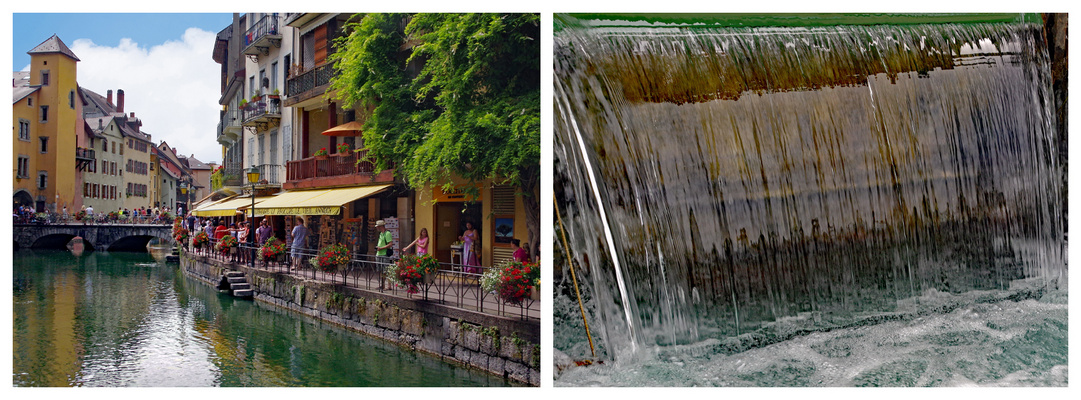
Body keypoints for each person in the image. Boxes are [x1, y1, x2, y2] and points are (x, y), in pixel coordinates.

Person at [374, 220, 393, 289]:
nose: (376, 228)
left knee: (386, 270)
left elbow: (390, 244)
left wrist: (381, 248)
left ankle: (388, 285)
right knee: (380, 270)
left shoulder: (387, 233)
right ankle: (382, 285)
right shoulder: (381, 234)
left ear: (380, 226)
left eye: (377, 227)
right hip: (379, 254)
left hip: (384, 254)